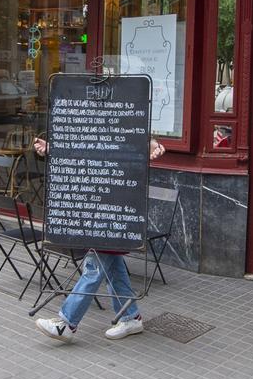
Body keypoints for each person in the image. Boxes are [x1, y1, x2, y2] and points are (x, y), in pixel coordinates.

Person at [31, 136, 166, 343]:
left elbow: (138, 133)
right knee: (113, 268)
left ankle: (66, 324)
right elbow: (85, 153)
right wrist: (53, 149)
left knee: (93, 269)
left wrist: (153, 145)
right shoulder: (98, 123)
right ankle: (131, 317)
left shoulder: (124, 119)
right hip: (101, 210)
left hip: (115, 212)